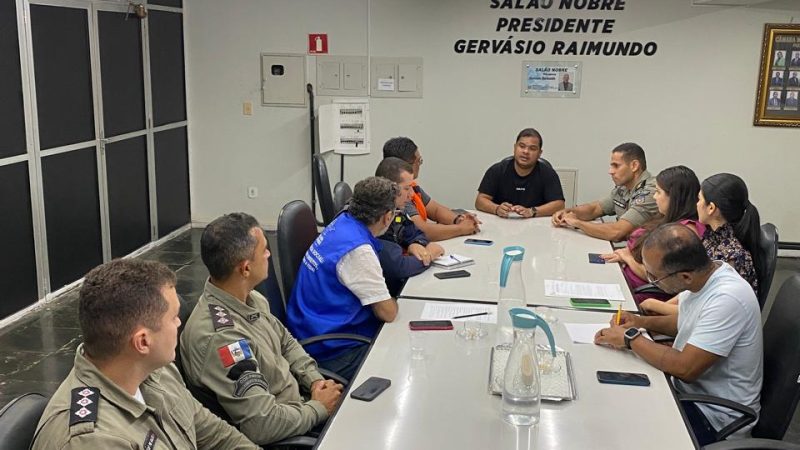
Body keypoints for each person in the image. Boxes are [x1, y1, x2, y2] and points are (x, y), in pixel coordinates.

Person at [32, 259, 258, 450]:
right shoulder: (92, 440)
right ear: (142, 342)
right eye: (173, 317)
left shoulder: (157, 370)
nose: (180, 323)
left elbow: (215, 434)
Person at [179, 213, 343, 445]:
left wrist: (315, 381)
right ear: (245, 269)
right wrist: (318, 408)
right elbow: (263, 424)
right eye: (264, 250)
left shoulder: (250, 298)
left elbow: (285, 341)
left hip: (302, 409)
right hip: (289, 434)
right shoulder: (223, 338)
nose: (269, 254)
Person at [594, 223, 762, 446]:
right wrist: (640, 321)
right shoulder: (706, 275)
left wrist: (631, 338)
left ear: (684, 277)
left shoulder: (727, 298)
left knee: (619, 430)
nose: (652, 281)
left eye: (655, 277)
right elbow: (685, 322)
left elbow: (686, 368)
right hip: (686, 393)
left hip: (714, 415)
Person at [287, 176, 399, 380]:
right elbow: (388, 313)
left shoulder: (343, 221)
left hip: (308, 326)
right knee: (400, 358)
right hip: (332, 349)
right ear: (387, 216)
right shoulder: (358, 250)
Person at [601, 166, 703, 303]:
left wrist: (628, 258)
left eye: (658, 192)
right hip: (625, 278)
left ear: (674, 198)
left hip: (642, 295)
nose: (654, 197)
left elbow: (660, 277)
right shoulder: (664, 218)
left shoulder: (683, 233)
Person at [552, 142, 658, 242]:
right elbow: (595, 209)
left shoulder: (650, 192)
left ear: (634, 166)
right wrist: (568, 212)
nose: (610, 171)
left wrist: (577, 223)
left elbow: (617, 232)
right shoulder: (624, 188)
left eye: (616, 166)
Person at [383, 137, 481, 241]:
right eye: (419, 161)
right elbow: (422, 231)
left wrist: (458, 219)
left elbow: (435, 210)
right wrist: (460, 229)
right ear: (406, 166)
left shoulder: (412, 188)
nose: (410, 194)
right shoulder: (396, 195)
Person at [375, 157, 444, 296]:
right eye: (407, 188)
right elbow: (398, 267)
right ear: (390, 189)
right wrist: (429, 255)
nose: (411, 194)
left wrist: (416, 243)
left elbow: (416, 232)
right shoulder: (376, 219)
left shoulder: (396, 211)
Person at [475, 128, 565, 218]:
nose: (525, 151)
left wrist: (532, 211)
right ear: (515, 147)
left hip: (535, 224)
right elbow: (480, 200)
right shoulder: (497, 170)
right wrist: (496, 208)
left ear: (539, 153)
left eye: (532, 148)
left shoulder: (548, 173)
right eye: (522, 146)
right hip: (502, 222)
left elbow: (559, 205)